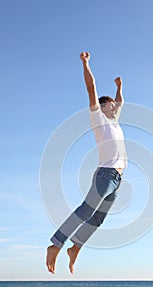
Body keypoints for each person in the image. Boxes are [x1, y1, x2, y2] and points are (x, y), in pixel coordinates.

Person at [46, 51, 127, 274]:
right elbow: (91, 89)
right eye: (110, 104)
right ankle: (56, 244)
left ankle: (76, 247)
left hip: (117, 179)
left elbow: (120, 102)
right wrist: (86, 63)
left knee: (98, 218)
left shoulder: (115, 123)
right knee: (86, 210)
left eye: (113, 105)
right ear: (102, 108)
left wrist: (119, 86)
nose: (114, 107)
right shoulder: (98, 119)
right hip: (106, 175)